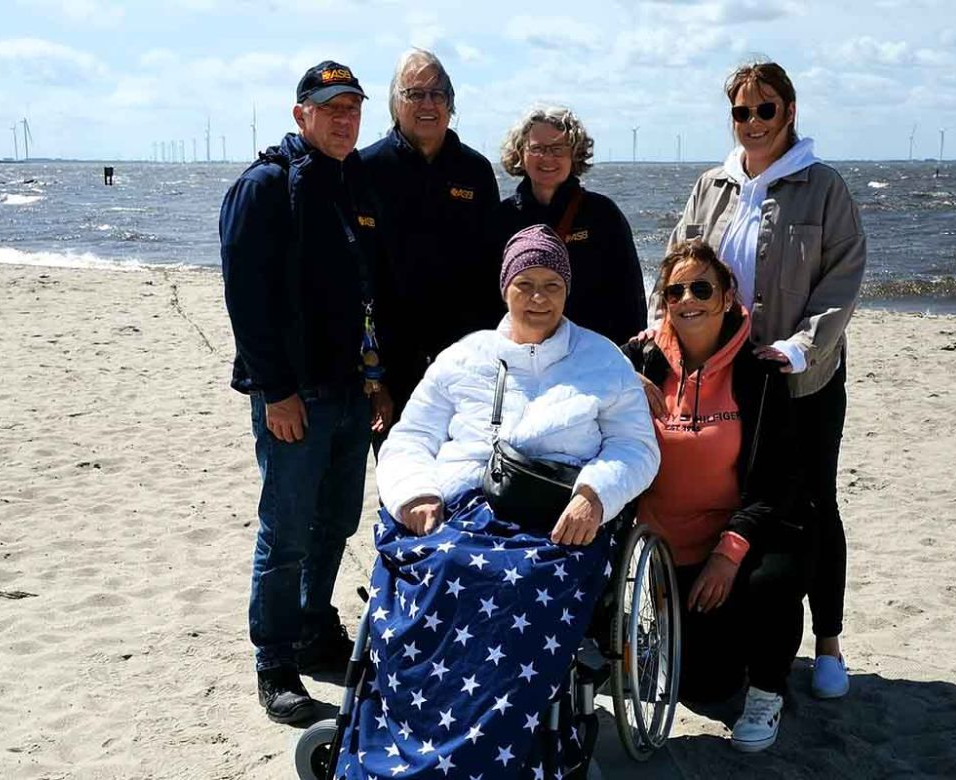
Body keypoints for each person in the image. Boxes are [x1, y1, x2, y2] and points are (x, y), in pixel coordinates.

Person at [333, 225, 660, 779]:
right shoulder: (464, 357)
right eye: (525, 283)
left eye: (552, 284)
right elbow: (410, 438)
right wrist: (416, 492)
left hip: (554, 518)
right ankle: (408, 739)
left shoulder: (602, 360)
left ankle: (498, 752)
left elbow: (635, 446)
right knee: (436, 566)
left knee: (513, 582)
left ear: (568, 289)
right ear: (504, 286)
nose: (538, 297)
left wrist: (594, 496)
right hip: (458, 508)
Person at [666, 59, 866, 700]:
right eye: (741, 112)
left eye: (765, 109)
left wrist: (800, 350)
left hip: (801, 380)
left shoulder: (823, 187)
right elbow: (676, 268)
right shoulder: (712, 187)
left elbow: (842, 278)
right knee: (742, 499)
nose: (752, 123)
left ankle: (829, 644)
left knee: (811, 505)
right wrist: (662, 337)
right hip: (726, 382)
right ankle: (748, 637)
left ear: (789, 113)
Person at [220, 60, 393, 724]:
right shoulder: (266, 186)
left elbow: (365, 296)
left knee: (336, 523)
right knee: (286, 529)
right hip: (295, 396)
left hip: (351, 394)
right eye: (332, 109)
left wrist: (376, 383)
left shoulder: (353, 183)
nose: (345, 119)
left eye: (353, 108)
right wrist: (275, 392)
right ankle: (275, 661)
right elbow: (246, 301)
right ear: (302, 115)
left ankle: (314, 629)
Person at [625, 240, 813, 752]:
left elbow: (779, 482)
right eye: (675, 290)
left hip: (736, 547)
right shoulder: (636, 359)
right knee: (706, 687)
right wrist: (618, 380)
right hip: (664, 552)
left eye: (702, 287)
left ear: (728, 295)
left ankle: (768, 690)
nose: (689, 298)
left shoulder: (759, 374)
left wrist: (729, 555)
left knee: (776, 579)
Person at [360, 47, 501, 416]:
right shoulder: (364, 169)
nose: (428, 103)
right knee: (400, 469)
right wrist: (373, 375)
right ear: (395, 104)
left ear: (450, 105)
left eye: (438, 94)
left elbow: (494, 267)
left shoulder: (476, 171)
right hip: (390, 360)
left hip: (465, 357)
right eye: (415, 93)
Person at [495, 106, 647, 346]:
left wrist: (627, 358)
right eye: (537, 148)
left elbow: (630, 297)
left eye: (558, 149)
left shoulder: (603, 215)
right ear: (520, 153)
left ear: (574, 154)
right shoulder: (501, 218)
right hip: (520, 355)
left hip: (591, 355)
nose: (547, 158)